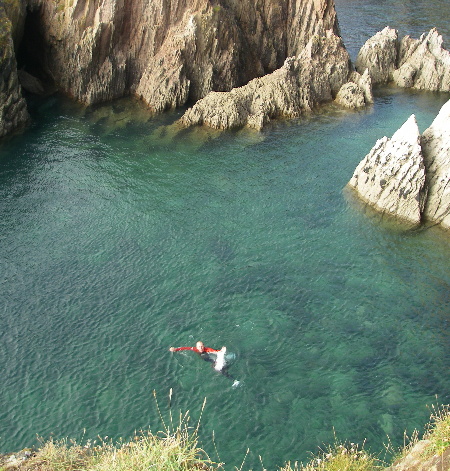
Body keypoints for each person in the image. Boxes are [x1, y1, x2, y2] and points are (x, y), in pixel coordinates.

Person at [169, 341, 240, 387]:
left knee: (219, 370)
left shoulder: (207, 349)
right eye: (199, 347)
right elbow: (186, 348)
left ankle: (234, 380)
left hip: (212, 359)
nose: (201, 348)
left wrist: (221, 351)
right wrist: (175, 349)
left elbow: (216, 352)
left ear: (204, 346)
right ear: (196, 347)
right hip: (209, 359)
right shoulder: (195, 349)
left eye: (202, 346)